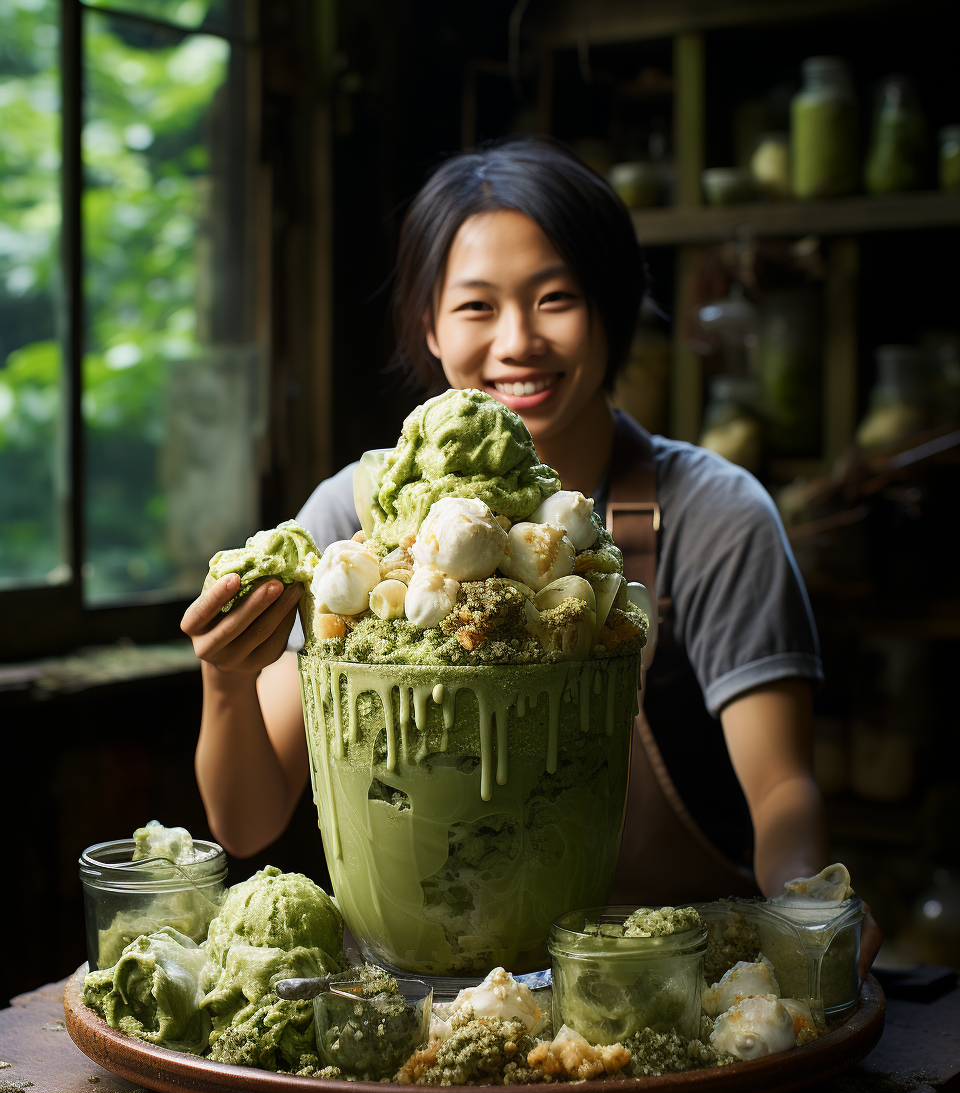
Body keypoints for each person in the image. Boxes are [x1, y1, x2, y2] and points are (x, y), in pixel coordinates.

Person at [182, 136, 881, 974]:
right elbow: (249, 823)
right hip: (425, 990)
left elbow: (780, 790)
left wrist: (808, 904)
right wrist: (225, 679)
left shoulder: (714, 513)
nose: (517, 341)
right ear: (430, 326)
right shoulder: (352, 523)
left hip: (656, 989)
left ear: (613, 311)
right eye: (477, 306)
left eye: (557, 299)